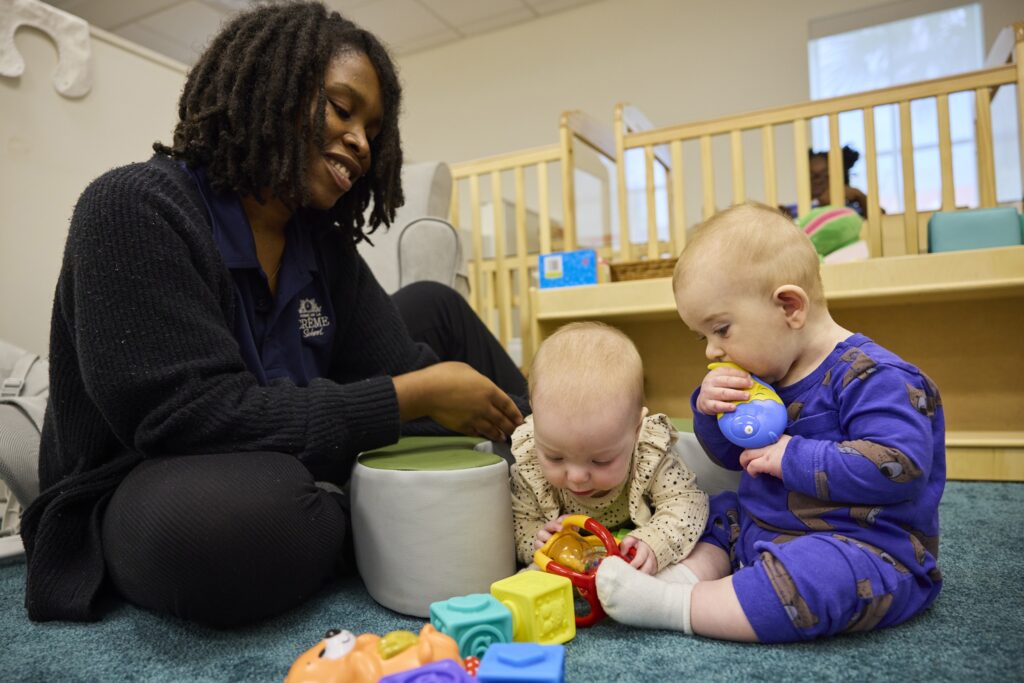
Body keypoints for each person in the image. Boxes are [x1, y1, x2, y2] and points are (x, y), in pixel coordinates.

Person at [22, 2, 526, 627]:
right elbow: (186, 419)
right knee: (228, 529)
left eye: (373, 128)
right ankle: (357, 508)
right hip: (145, 476)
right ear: (271, 89)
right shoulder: (129, 208)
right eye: (343, 110)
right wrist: (409, 397)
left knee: (435, 306)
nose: (361, 143)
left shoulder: (322, 244)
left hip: (291, 443)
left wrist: (503, 426)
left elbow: (399, 366)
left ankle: (557, 456)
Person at [595, 203, 945, 642]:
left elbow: (901, 465)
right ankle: (685, 579)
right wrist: (709, 413)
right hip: (764, 529)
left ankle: (675, 606)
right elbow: (731, 459)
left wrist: (791, 455)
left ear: (789, 306)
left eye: (721, 330)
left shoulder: (877, 377)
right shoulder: (766, 374)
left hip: (864, 547)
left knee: (817, 577)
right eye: (703, 337)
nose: (711, 351)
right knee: (716, 510)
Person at [509, 322, 708, 577]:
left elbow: (688, 503)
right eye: (556, 457)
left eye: (601, 461)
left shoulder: (648, 455)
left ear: (636, 431)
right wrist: (538, 538)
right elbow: (517, 524)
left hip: (630, 554)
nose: (577, 477)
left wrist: (654, 541)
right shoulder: (532, 463)